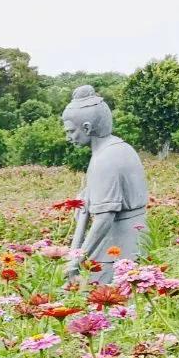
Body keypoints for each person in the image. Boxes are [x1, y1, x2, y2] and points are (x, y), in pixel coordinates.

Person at [60, 86, 148, 285]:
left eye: (71, 131)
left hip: (118, 245)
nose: (68, 137)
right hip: (132, 239)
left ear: (87, 127)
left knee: (102, 303)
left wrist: (76, 261)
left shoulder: (105, 159)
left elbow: (104, 218)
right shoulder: (120, 148)